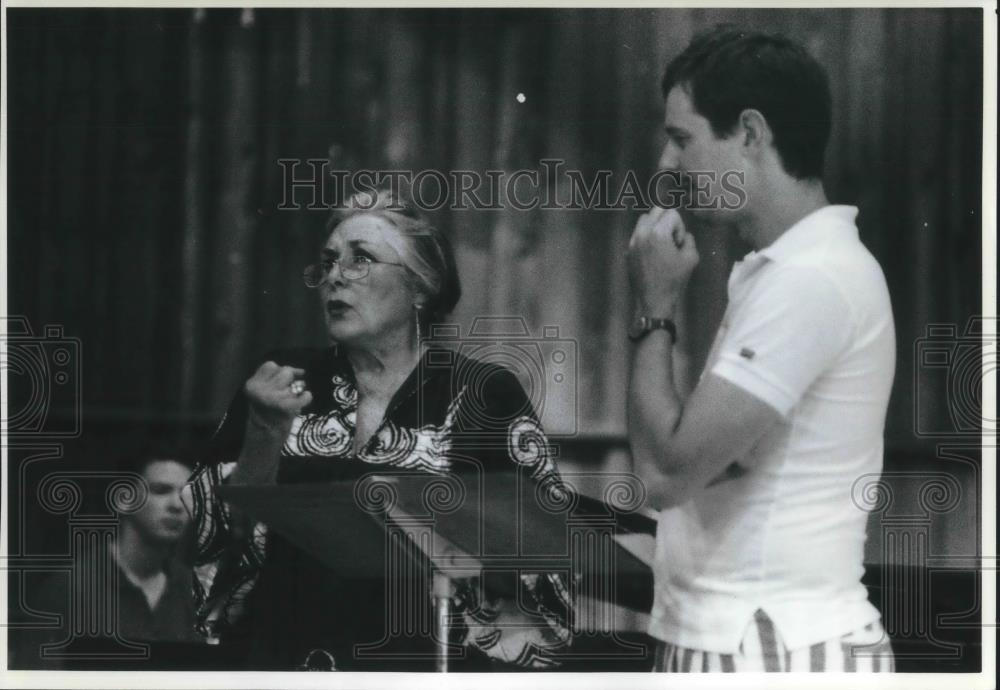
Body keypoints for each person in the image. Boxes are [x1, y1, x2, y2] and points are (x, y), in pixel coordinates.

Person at [185, 188, 572, 671]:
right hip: (286, 662)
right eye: (327, 263)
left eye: (360, 260)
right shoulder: (283, 380)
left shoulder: (482, 393)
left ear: (420, 287)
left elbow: (546, 550)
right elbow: (212, 545)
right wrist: (265, 432)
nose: (334, 278)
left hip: (421, 667)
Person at [626, 26, 896, 672]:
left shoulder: (810, 278)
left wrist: (654, 307)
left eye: (682, 138)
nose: (668, 165)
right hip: (745, 635)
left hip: (769, 645)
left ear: (750, 134)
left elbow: (665, 473)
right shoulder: (786, 273)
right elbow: (713, 464)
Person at [12, 451, 202, 668]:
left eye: (188, 496)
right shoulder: (69, 588)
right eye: (160, 490)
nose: (178, 506)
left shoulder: (193, 589)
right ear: (124, 500)